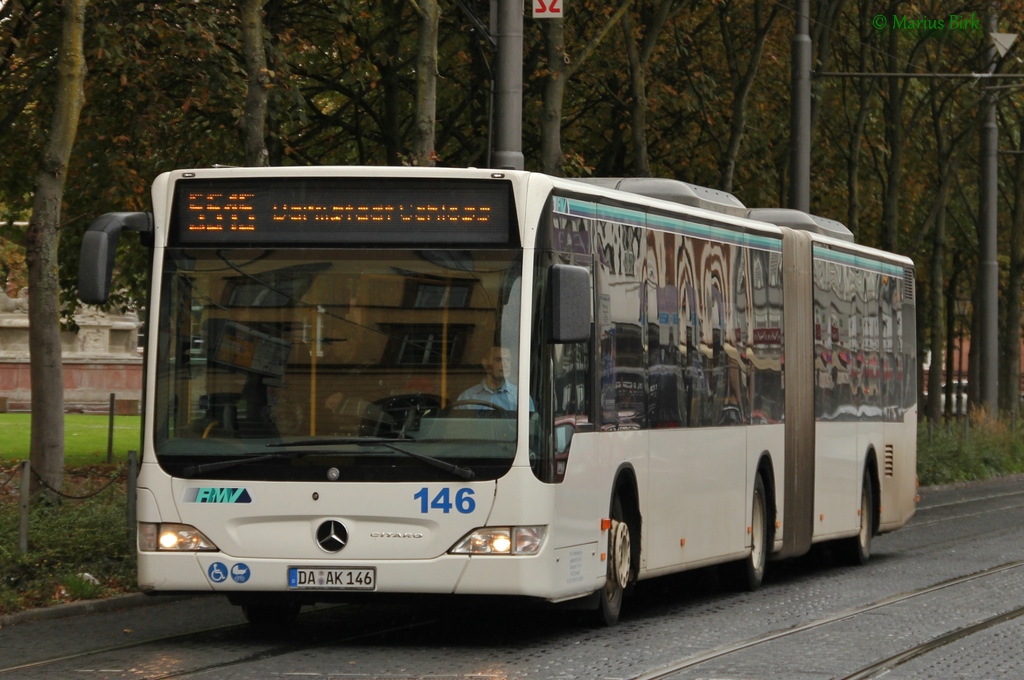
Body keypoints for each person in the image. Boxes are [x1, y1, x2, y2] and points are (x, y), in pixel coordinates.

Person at [457, 346, 531, 412]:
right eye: (499, 360)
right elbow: (460, 426)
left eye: (508, 360)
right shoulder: (468, 397)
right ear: (485, 363)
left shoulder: (520, 397)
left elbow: (530, 425)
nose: (505, 364)